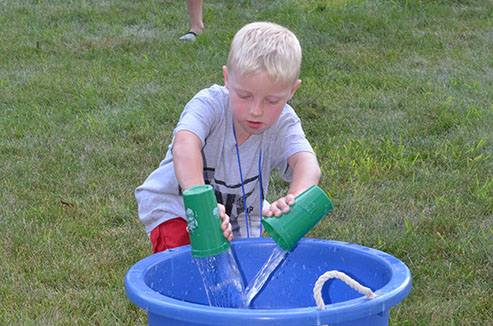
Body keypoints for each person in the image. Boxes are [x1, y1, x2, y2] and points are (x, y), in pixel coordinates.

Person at [135, 22, 322, 253]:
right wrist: (204, 207)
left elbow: (308, 165)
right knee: (191, 269)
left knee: (239, 276)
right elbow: (184, 145)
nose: (256, 110)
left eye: (271, 101)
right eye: (244, 95)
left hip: (239, 218)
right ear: (227, 78)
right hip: (179, 210)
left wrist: (294, 200)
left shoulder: (285, 122)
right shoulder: (209, 104)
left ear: (292, 91)